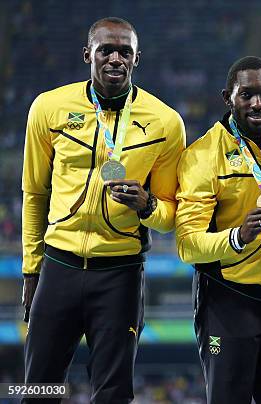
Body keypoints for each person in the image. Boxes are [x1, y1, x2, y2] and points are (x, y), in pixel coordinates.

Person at [21, 17, 186, 403]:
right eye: (106, 50)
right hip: (58, 268)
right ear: (87, 55)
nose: (115, 59)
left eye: (124, 52)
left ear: (137, 58)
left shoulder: (165, 122)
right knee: (38, 389)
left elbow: (170, 215)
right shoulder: (49, 108)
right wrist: (32, 271)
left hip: (120, 275)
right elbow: (34, 194)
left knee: (113, 395)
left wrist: (146, 205)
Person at [175, 56, 261, 404]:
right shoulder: (202, 157)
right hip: (227, 301)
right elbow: (188, 246)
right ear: (227, 97)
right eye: (246, 94)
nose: (256, 103)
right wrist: (238, 236)